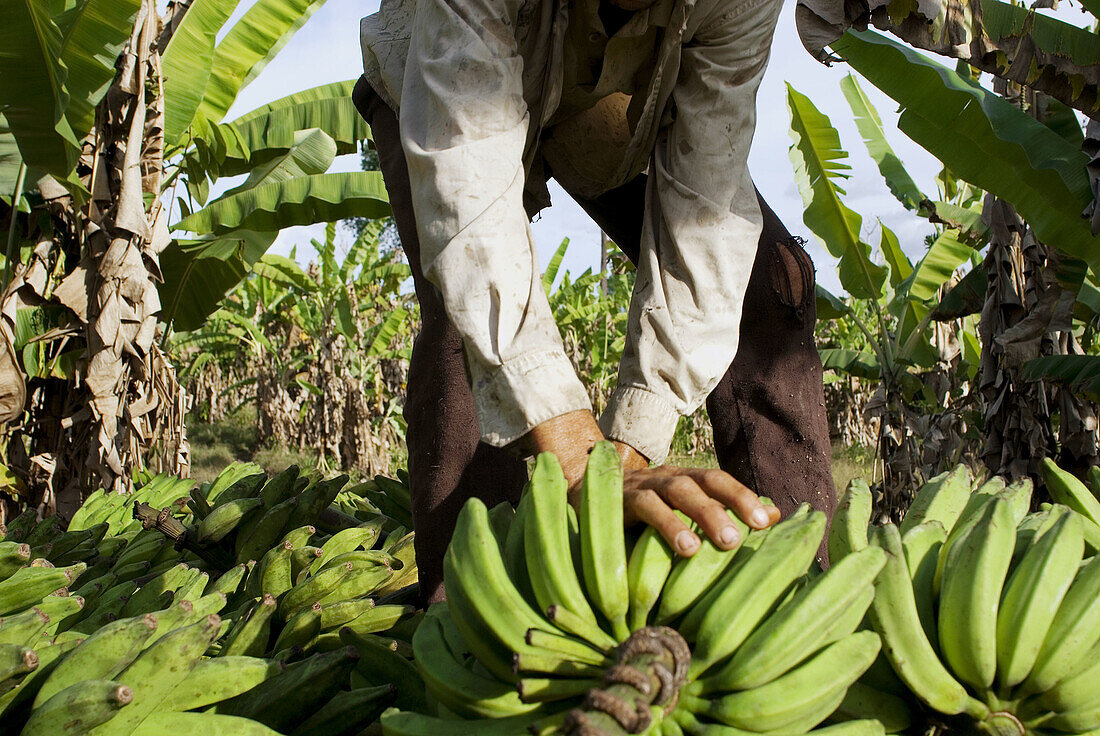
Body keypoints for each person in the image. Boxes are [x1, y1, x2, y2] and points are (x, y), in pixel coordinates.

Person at [353, 0, 837, 605]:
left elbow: (705, 207)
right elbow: (471, 212)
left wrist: (621, 460)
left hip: (618, 101)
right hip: (442, 70)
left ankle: (801, 588)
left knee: (768, 287)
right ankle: (464, 615)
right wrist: (582, 463)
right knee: (463, 319)